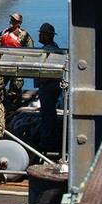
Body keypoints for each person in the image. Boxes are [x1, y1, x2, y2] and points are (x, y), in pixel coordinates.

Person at [36, 22, 64, 154]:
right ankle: (48, 140)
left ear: (47, 36)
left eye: (42, 33)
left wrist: (42, 79)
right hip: (49, 87)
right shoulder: (52, 48)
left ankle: (47, 143)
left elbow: (51, 72)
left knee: (47, 115)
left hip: (48, 88)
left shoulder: (50, 50)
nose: (40, 36)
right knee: (49, 114)